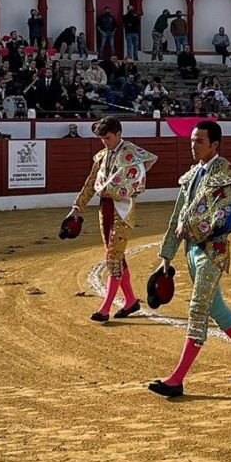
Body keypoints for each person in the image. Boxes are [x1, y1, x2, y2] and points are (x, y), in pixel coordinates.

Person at [149, 120, 231, 398]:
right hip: (191, 251)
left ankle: (177, 379)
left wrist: (187, 229)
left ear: (215, 145)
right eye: (191, 140)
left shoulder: (229, 177)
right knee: (217, 309)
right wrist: (167, 255)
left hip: (212, 252)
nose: (193, 145)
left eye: (199, 141)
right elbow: (177, 214)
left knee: (198, 309)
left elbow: (224, 220)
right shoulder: (191, 176)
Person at [69, 116, 158, 321]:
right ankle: (130, 302)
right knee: (117, 257)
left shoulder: (132, 153)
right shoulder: (102, 155)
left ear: (119, 134)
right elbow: (91, 183)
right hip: (105, 208)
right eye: (102, 139)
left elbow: (144, 167)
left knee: (113, 257)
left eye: (108, 138)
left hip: (123, 208)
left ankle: (105, 308)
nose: (104, 142)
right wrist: (77, 207)